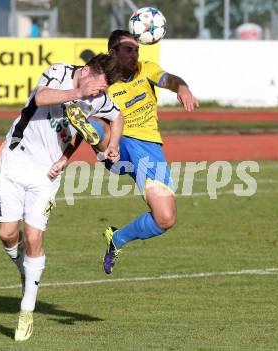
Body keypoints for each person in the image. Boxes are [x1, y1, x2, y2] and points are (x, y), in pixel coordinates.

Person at [0, 53, 124, 341]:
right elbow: (40, 98)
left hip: (47, 174)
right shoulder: (59, 71)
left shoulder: (98, 97)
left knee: (35, 237)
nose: (99, 93)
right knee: (6, 234)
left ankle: (26, 310)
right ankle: (26, 271)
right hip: (16, 158)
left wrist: (111, 146)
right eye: (98, 85)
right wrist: (78, 92)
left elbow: (116, 117)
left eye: (104, 89)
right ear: (86, 71)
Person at [72, 30, 199, 274]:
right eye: (128, 50)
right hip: (116, 144)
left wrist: (182, 88)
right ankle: (90, 130)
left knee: (165, 218)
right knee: (96, 122)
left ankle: (117, 239)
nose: (134, 54)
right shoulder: (102, 81)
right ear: (113, 53)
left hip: (149, 148)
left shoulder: (146, 69)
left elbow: (169, 79)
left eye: (137, 50)